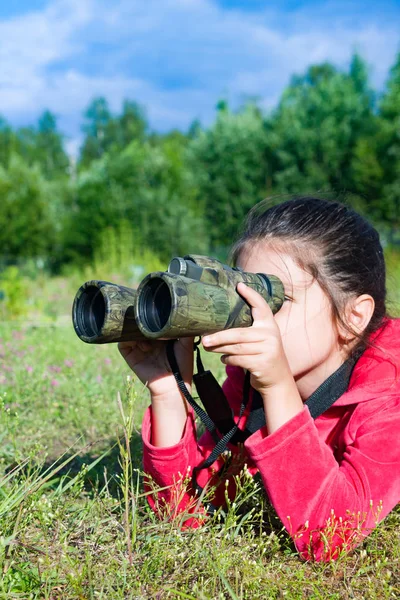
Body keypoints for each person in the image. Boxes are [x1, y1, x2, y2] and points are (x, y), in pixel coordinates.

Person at [119, 197, 400, 561]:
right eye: (243, 297)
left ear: (354, 316)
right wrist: (170, 391)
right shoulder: (248, 385)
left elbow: (330, 536)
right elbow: (185, 507)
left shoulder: (388, 399)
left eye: (275, 300)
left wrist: (279, 389)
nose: (253, 318)